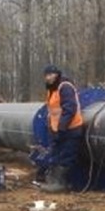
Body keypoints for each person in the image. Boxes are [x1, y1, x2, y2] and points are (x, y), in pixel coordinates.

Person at [39, 64, 85, 193]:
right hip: (58, 130)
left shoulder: (64, 87)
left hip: (70, 129)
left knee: (66, 157)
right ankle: (54, 181)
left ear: (57, 75)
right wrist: (52, 129)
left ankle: (61, 183)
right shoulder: (52, 90)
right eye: (46, 75)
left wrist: (61, 127)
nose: (48, 78)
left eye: (50, 75)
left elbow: (70, 109)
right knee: (57, 155)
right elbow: (52, 111)